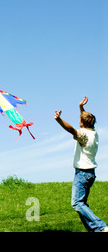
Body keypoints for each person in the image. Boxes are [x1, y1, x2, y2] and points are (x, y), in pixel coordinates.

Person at [54, 96, 108, 232]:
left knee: (77, 203)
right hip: (90, 174)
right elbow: (84, 120)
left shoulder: (83, 135)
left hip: (82, 173)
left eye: (80, 119)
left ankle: (101, 227)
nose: (79, 120)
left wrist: (58, 119)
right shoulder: (93, 133)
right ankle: (95, 230)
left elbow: (71, 129)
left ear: (82, 123)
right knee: (82, 204)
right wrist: (81, 107)